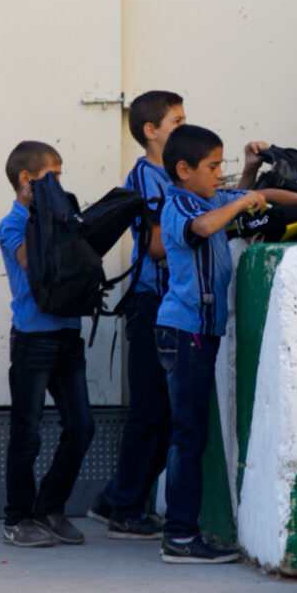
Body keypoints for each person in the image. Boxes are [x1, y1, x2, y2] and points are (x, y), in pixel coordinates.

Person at [155, 124, 297, 564]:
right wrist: (241, 199)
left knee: (190, 435)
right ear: (183, 170)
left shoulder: (206, 197)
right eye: (213, 167)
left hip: (199, 334)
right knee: (188, 437)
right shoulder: (179, 204)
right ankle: (179, 537)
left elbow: (268, 199)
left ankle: (182, 532)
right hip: (184, 334)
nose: (220, 174)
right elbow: (203, 226)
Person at [87, 91, 186, 540]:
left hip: (165, 307)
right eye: (177, 121)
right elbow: (157, 245)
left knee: (165, 413)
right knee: (151, 412)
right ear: (152, 131)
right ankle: (125, 510)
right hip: (151, 304)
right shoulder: (148, 178)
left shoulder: (170, 176)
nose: (186, 127)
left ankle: (114, 499)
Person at [0, 141, 95, 548]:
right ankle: (17, 518)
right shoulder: (13, 225)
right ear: (27, 179)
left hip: (67, 335)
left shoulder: (58, 218)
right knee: (28, 431)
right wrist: (47, 213)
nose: (59, 183)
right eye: (53, 176)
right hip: (33, 339)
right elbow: (36, 265)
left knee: (82, 426)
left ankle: (50, 508)